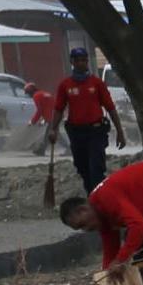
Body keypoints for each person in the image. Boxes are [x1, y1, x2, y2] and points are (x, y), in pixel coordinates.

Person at [59, 156, 143, 285]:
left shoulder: (106, 198)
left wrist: (120, 260)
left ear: (83, 209)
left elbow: (139, 226)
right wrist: (106, 277)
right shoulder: (100, 216)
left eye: (83, 224)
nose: (86, 230)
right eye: (80, 229)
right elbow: (111, 248)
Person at [47, 46, 122, 194]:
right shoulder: (65, 85)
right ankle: (91, 195)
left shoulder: (96, 83)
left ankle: (98, 199)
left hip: (96, 132)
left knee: (96, 169)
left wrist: (120, 131)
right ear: (72, 62)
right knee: (82, 167)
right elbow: (58, 109)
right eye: (78, 60)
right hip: (76, 133)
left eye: (84, 60)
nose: (82, 63)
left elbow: (110, 107)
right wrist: (53, 129)